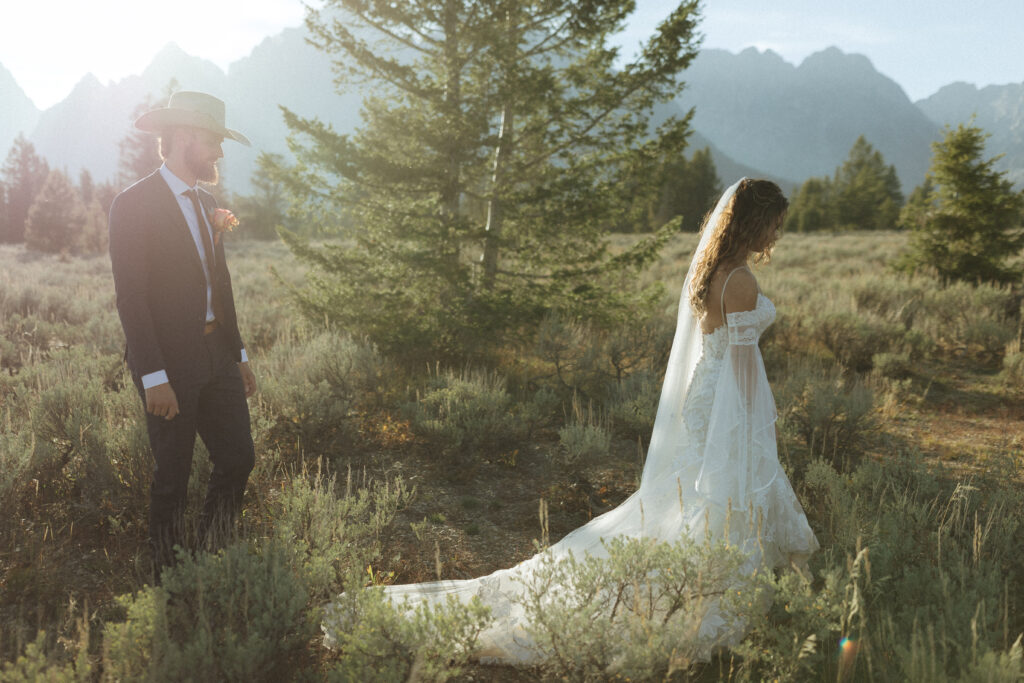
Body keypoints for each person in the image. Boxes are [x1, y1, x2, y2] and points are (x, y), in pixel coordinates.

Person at [323, 177, 818, 661]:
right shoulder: (742, 280)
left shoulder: (711, 271)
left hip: (704, 395)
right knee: (721, 490)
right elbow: (743, 363)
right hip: (727, 399)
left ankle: (705, 584)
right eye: (773, 224)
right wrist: (759, 422)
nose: (776, 235)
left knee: (697, 493)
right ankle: (703, 596)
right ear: (753, 222)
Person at [108, 91, 257, 582]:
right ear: (186, 136)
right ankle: (169, 579)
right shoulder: (133, 205)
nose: (218, 152)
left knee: (238, 458)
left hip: (217, 353)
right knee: (172, 477)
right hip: (168, 364)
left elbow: (222, 284)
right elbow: (132, 298)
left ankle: (212, 552)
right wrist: (154, 377)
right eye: (213, 140)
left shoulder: (208, 201)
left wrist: (238, 353)